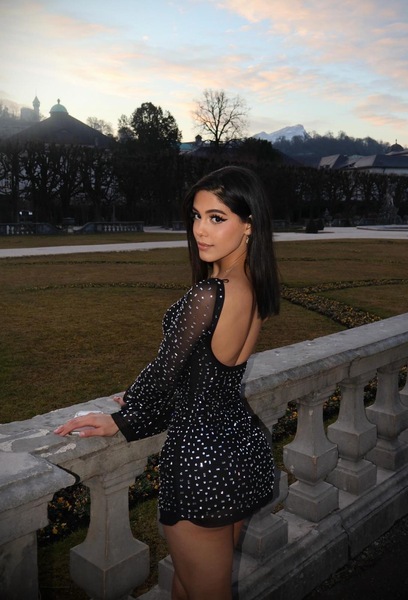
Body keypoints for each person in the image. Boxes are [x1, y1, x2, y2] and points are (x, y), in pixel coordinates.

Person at [54, 165, 280, 600]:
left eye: (217, 218)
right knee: (187, 583)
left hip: (203, 462)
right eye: (196, 216)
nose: (200, 230)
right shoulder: (254, 284)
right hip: (241, 448)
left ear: (249, 224)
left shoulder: (211, 294)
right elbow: (207, 376)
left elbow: (163, 373)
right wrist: (148, 401)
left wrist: (123, 417)